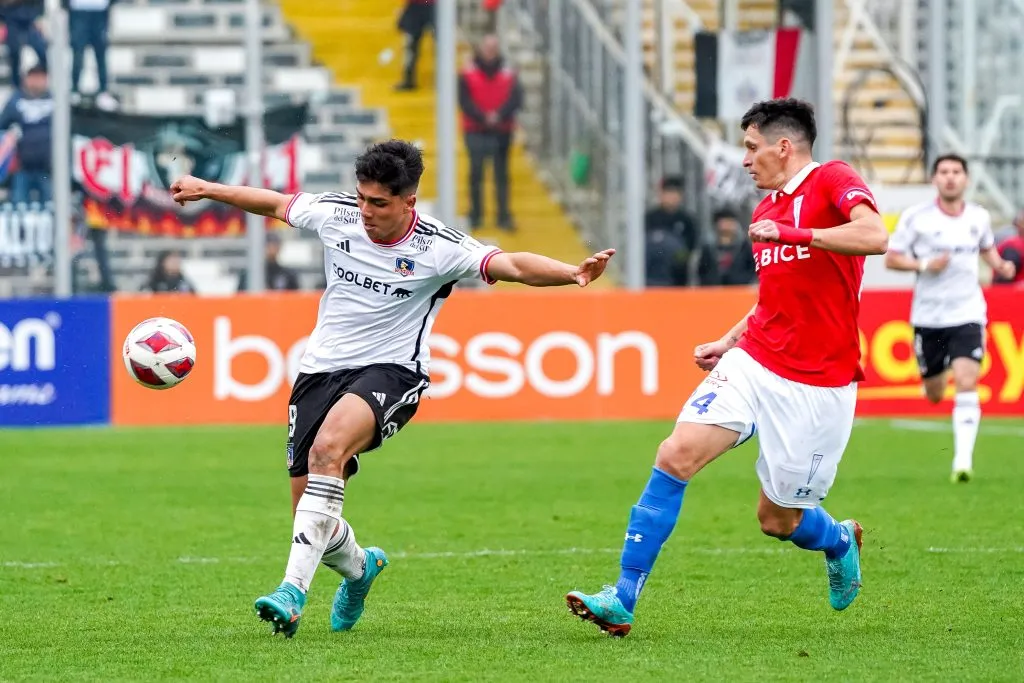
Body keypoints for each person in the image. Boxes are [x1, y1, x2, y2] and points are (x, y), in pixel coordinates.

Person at [169, 139, 614, 639]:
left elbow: (509, 265)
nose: (365, 211)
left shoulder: (439, 246)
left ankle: (292, 592)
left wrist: (571, 272)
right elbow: (273, 202)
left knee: (327, 449)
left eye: (378, 203)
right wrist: (208, 189)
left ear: (409, 203)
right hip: (319, 373)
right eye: (361, 197)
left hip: (392, 371)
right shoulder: (335, 214)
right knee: (309, 517)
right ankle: (359, 569)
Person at [564, 98, 888, 637]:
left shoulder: (832, 179)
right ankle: (621, 597)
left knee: (776, 519)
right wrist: (728, 339)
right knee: (675, 454)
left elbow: (875, 237)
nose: (745, 160)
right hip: (755, 361)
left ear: (783, 147)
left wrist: (798, 235)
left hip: (818, 383)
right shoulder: (764, 212)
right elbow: (773, 299)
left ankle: (837, 539)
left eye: (751, 147)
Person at [884, 154, 1016, 482]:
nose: (950, 178)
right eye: (944, 172)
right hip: (928, 316)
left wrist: (999, 266)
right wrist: (926, 265)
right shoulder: (917, 218)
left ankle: (962, 461)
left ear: (966, 179)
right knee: (934, 392)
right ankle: (935, 374)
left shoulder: (978, 217)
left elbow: (986, 248)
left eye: (956, 172)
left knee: (968, 380)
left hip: (968, 312)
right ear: (935, 179)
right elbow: (892, 260)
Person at [459, 34, 522, 231]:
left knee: (501, 174)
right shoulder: (467, 73)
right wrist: (483, 117)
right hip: (475, 129)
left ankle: (503, 216)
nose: (490, 52)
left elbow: (516, 99)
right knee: (476, 172)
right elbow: (464, 101)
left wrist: (498, 116)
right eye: (487, 47)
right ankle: (476, 215)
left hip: (502, 130)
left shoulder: (509, 73)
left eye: (494, 47)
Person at [0, 63, 52, 205]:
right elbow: (2, 125)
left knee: (50, 205)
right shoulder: (15, 100)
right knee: (19, 205)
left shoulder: (55, 100)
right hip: (22, 167)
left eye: (40, 77)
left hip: (48, 169)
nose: (37, 81)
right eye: (34, 77)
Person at [696, 209, 758, 286]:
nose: (727, 225)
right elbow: (702, 270)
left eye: (731, 222)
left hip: (739, 289)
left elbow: (752, 268)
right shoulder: (708, 246)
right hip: (713, 290)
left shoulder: (744, 246)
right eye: (724, 222)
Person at [394, 0, 435, 91]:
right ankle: (408, 79)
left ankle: (409, 80)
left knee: (411, 45)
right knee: (410, 46)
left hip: (429, 6)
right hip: (421, 6)